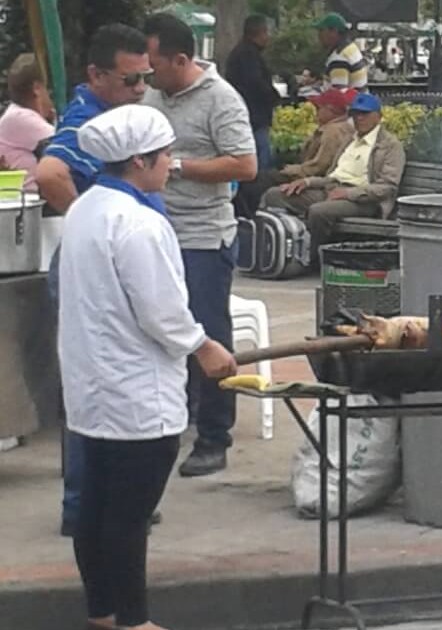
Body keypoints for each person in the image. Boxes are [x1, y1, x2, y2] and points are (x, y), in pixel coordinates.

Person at [62, 103, 237, 630]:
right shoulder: (138, 223)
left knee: (95, 509)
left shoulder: (86, 208)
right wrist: (205, 348)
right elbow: (163, 312)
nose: (171, 164)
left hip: (92, 388)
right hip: (136, 391)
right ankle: (133, 622)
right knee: (128, 516)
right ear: (140, 161)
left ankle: (102, 611)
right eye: (166, 156)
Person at [35, 23, 154, 539]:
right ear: (96, 75)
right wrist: (93, 221)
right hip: (96, 273)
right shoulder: (87, 120)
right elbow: (48, 175)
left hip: (115, 266)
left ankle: (112, 503)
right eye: (130, 80)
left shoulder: (119, 114)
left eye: (145, 78)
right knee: (95, 391)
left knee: (115, 390)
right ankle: (85, 507)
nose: (140, 89)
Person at [143, 13, 257, 477]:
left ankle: (214, 436)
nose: (148, 75)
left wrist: (178, 167)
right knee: (160, 332)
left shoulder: (220, 99)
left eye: (154, 65)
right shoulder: (152, 94)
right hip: (156, 232)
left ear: (181, 59)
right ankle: (181, 416)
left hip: (204, 237)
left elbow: (246, 165)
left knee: (207, 334)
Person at [264, 92, 404, 265]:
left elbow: (387, 187)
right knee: (275, 195)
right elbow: (333, 176)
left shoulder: (390, 146)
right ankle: (278, 250)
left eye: (365, 114)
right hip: (331, 190)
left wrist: (348, 193)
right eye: (355, 114)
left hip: (364, 200)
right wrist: (307, 182)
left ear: (378, 117)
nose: (359, 118)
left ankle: (314, 259)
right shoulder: (349, 140)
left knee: (319, 211)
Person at [225, 14, 281, 171]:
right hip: (253, 116)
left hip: (250, 114)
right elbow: (255, 83)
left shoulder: (243, 53)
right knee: (261, 158)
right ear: (259, 33)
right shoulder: (248, 55)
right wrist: (274, 97)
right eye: (266, 33)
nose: (268, 37)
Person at [0, 53, 55, 190]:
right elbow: (66, 144)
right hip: (26, 202)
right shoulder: (20, 117)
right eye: (47, 90)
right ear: (37, 89)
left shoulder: (16, 116)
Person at [278, 89, 354, 181]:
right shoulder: (345, 127)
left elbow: (321, 165)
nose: (316, 112)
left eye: (318, 108)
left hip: (315, 181)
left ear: (330, 110)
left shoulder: (332, 131)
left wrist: (295, 169)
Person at [313, 12, 368, 92]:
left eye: (321, 30)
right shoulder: (351, 48)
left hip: (350, 104)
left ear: (334, 32)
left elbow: (339, 96)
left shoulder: (339, 58)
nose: (319, 35)